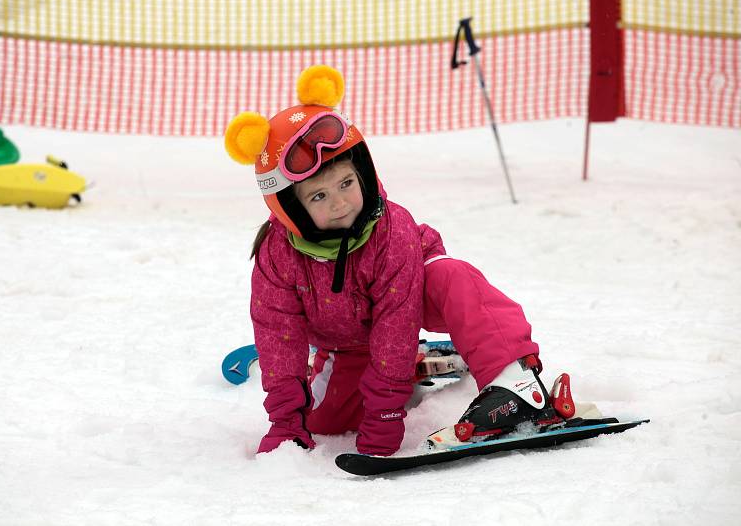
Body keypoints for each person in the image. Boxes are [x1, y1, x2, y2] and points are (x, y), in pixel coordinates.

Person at [224, 65, 569, 457]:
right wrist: (286, 422)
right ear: (290, 207)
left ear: (364, 175)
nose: (338, 203)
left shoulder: (393, 231)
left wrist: (385, 412)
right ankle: (414, 366)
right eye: (318, 197)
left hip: (413, 297)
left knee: (451, 277)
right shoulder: (277, 257)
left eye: (345, 184)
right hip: (351, 341)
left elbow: (396, 325)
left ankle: (514, 381)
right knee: (323, 420)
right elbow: (279, 337)